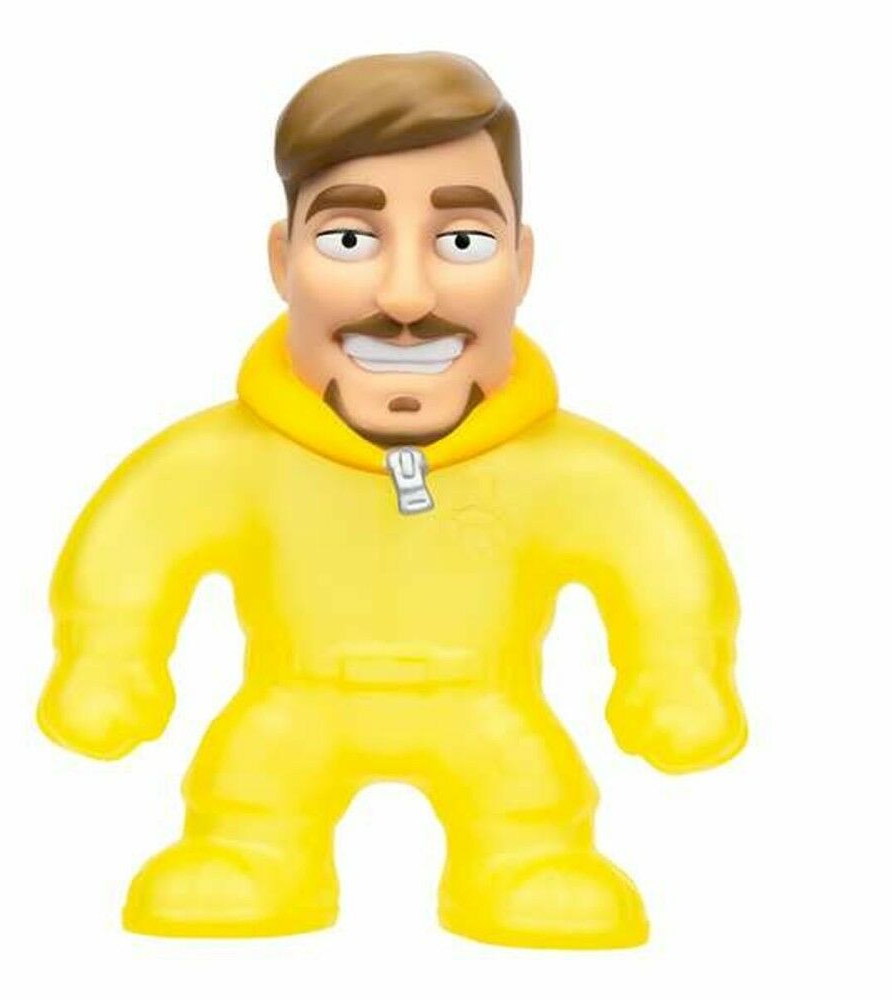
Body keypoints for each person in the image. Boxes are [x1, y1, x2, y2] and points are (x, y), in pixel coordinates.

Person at [37, 51, 746, 947]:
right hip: (294, 705)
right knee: (248, 798)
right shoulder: (232, 460)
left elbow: (649, 550)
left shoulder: (562, 471)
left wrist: (678, 670)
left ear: (522, 264)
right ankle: (252, 852)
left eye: (462, 242)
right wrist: (108, 657)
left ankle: (527, 860)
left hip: (488, 711)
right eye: (350, 240)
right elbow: (142, 536)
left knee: (531, 818)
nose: (406, 296)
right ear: (281, 260)